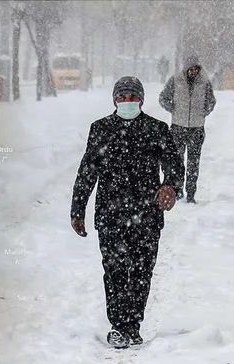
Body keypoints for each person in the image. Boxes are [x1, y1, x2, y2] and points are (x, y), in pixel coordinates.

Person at [70, 76, 184, 349]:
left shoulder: (156, 129)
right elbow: (87, 172)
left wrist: (169, 186)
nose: (127, 102)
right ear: (114, 100)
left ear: (141, 101)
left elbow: (175, 165)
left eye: (132, 98)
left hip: (146, 214)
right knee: (115, 271)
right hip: (111, 214)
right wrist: (78, 209)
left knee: (142, 271)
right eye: (122, 98)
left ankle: (133, 325)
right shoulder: (101, 129)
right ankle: (118, 326)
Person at [158, 54, 216, 203]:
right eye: (191, 69)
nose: (194, 72)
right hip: (178, 127)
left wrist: (203, 113)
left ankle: (190, 193)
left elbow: (211, 101)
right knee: (177, 162)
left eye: (196, 69)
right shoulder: (175, 80)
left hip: (196, 129)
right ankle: (177, 191)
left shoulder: (205, 82)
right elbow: (163, 98)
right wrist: (174, 109)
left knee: (193, 163)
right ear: (186, 69)